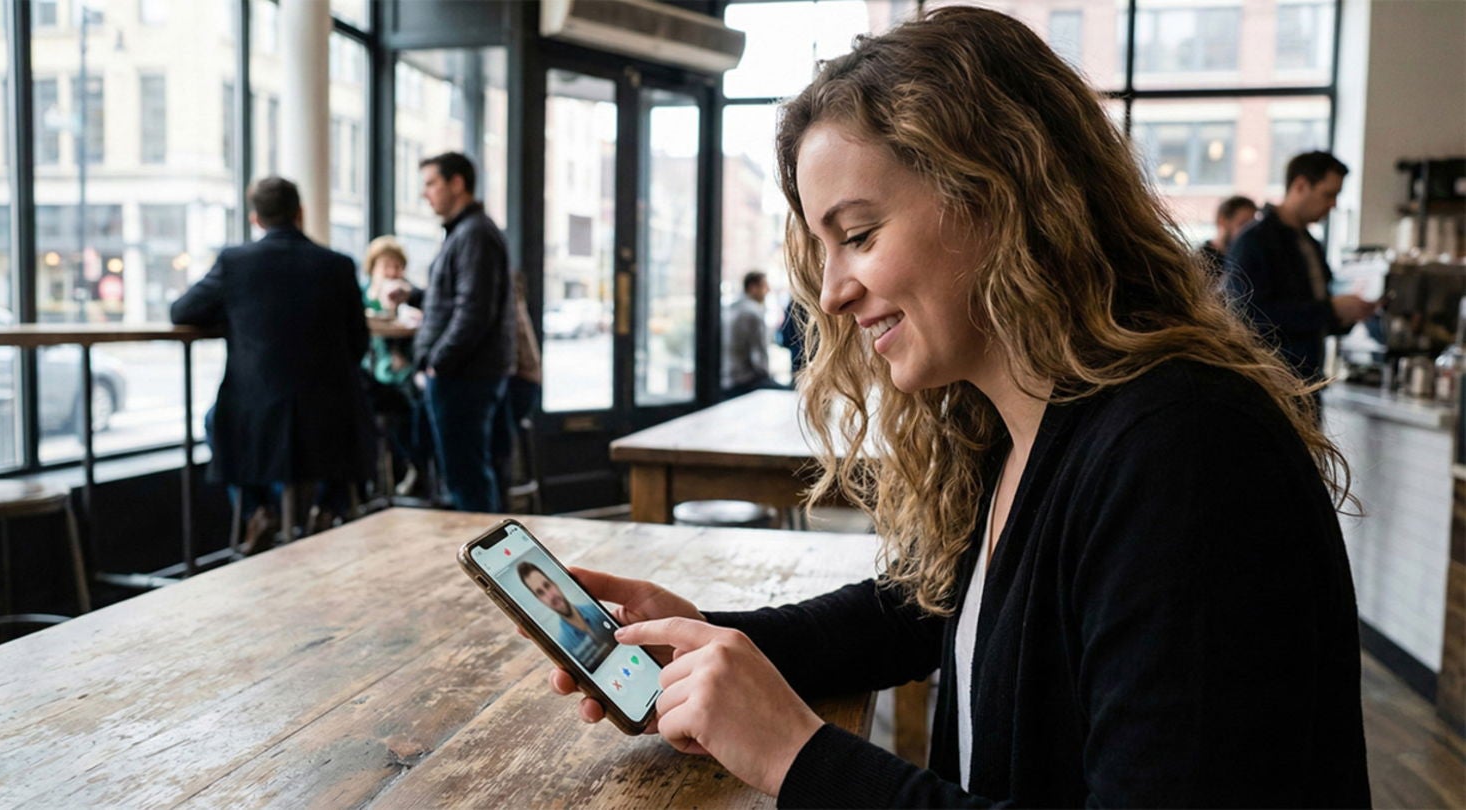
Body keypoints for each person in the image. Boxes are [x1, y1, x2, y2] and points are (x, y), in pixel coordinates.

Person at [543, 8, 1370, 807]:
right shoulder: (1029, 423)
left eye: (858, 235)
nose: (830, 293)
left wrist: (795, 755)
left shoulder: (1185, 454)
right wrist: (711, 641)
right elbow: (922, 609)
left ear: (1000, 196)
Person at [172, 177, 373, 551]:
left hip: (257, 409)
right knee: (349, 423)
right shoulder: (338, 265)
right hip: (331, 410)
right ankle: (329, 508)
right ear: (300, 213)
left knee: (217, 422)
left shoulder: (235, 263)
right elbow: (358, 342)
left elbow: (182, 311)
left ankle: (258, 509)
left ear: (256, 219)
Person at [388, 152, 515, 513]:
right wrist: (414, 295)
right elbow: (455, 300)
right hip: (464, 372)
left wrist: (437, 363)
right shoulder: (466, 232)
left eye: (431, 184)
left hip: (464, 375)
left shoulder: (474, 234)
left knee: (466, 478)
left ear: (457, 183)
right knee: (466, 474)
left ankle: (484, 548)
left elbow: (473, 311)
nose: (425, 194)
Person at [1226, 152, 1376, 389]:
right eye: (1328, 194)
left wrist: (1346, 314)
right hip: (1268, 384)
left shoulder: (1310, 243)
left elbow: (1313, 315)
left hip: (1307, 381)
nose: (1333, 204)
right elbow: (1247, 316)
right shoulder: (1254, 240)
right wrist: (1330, 310)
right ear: (1300, 186)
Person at [361, 235, 430, 496]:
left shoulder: (410, 296)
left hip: (403, 375)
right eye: (386, 266)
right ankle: (377, 481)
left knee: (414, 402)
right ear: (373, 268)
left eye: (398, 266)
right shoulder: (361, 297)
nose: (392, 272)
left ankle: (415, 468)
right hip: (370, 375)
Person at [493, 276, 542, 509]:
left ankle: (496, 505)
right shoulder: (506, 289)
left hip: (519, 382)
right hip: (522, 380)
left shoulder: (501, 296)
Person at [518, 561, 616, 672]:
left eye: (547, 586)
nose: (550, 596)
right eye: (541, 593)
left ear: (555, 584)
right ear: (539, 600)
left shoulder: (596, 610)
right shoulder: (565, 645)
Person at [721, 270, 787, 399]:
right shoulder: (752, 313)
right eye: (765, 286)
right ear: (753, 287)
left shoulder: (732, 308)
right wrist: (766, 376)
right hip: (745, 381)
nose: (768, 290)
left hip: (727, 378)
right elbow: (759, 352)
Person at [1197, 194, 1257, 277]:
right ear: (1222, 221)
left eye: (1252, 226)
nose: (1248, 232)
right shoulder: (1199, 262)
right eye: (1243, 224)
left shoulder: (1249, 259)